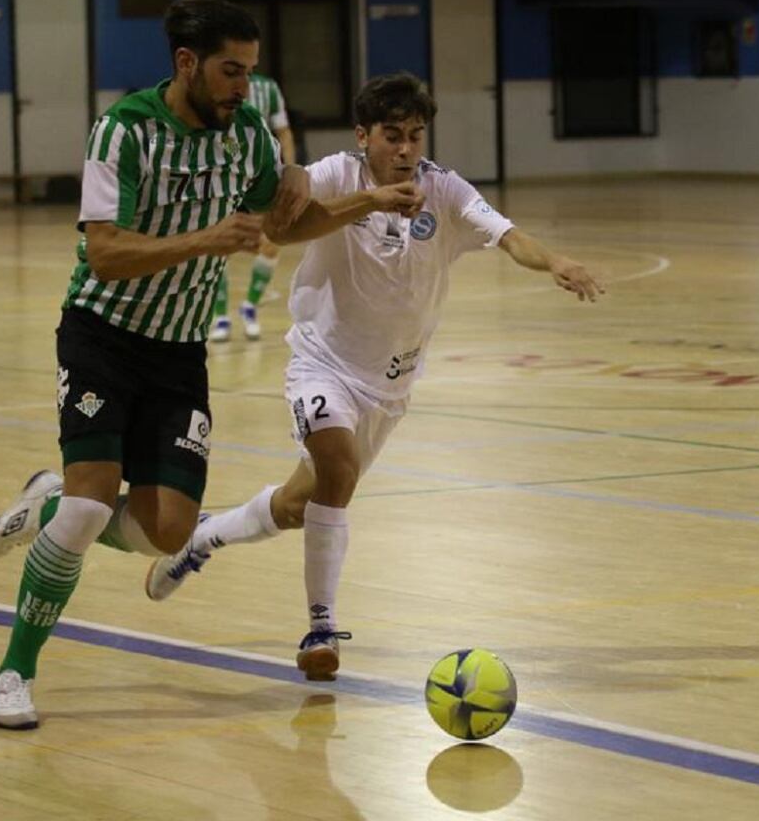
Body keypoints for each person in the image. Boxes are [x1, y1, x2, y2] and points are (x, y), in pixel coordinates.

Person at [0, 0, 426, 729]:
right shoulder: (122, 131)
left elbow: (284, 224)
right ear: (187, 63)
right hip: (103, 333)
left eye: (250, 72)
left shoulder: (246, 134)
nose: (244, 88)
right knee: (95, 504)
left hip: (178, 350)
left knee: (170, 531)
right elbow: (104, 251)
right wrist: (204, 239)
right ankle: (12, 673)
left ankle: (47, 506)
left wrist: (362, 201)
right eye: (230, 71)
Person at [143, 72, 605, 681]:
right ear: (364, 136)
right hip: (321, 362)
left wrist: (555, 262)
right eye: (393, 136)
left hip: (389, 386)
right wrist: (336, 191)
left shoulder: (445, 190)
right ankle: (320, 627)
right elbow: (287, 216)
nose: (406, 149)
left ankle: (205, 539)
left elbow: (508, 236)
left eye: (415, 135)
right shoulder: (339, 174)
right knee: (337, 470)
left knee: (295, 505)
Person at [210, 72, 297, 341]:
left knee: (270, 242)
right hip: (223, 179)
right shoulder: (212, 84)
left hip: (258, 176)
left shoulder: (268, 87)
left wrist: (289, 171)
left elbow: (283, 132)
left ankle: (250, 307)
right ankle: (220, 316)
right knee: (217, 247)